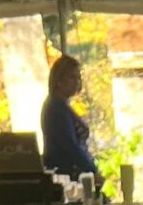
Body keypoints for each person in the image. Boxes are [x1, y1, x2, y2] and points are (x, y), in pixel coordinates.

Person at [39, 54, 99, 190]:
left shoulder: (62, 106)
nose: (77, 82)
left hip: (73, 175)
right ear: (59, 80)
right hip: (65, 177)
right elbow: (71, 146)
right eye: (72, 77)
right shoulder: (56, 109)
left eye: (78, 77)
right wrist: (92, 169)